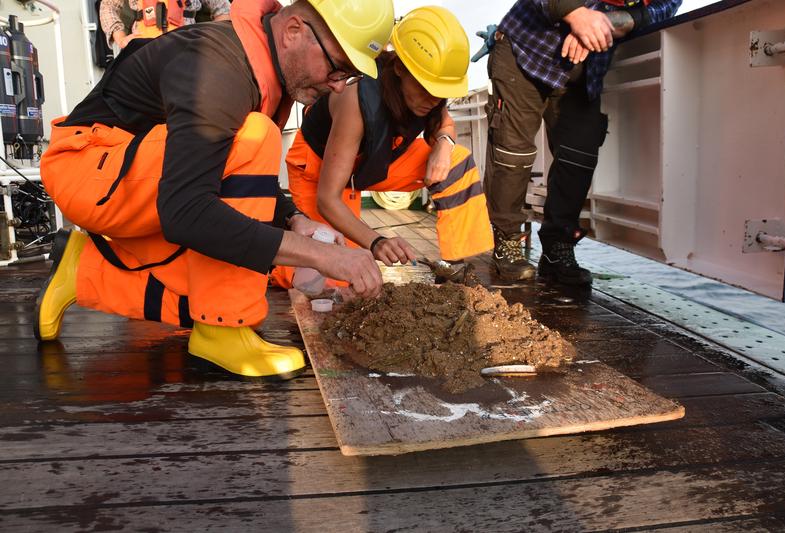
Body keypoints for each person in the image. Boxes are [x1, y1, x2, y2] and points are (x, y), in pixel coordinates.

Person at [34, 0, 395, 380]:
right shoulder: (217, 69)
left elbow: (222, 169)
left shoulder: (261, 67)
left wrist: (293, 220)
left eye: (349, 76)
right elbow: (186, 212)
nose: (337, 85)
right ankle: (224, 330)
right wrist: (323, 256)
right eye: (337, 67)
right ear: (293, 31)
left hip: (122, 174)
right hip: (85, 167)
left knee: (208, 282)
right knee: (256, 138)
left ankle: (82, 270)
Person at [271, 6, 493, 291]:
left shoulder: (430, 97)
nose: (433, 99)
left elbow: (444, 125)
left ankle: (457, 266)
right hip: (320, 167)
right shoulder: (356, 100)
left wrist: (444, 144)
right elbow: (328, 199)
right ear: (399, 68)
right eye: (426, 87)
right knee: (331, 271)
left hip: (373, 161)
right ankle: (278, 271)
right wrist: (376, 241)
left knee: (458, 163)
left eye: (441, 92)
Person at [478, 0, 682, 284]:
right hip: (525, 52)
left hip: (583, 71)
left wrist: (599, 23)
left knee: (579, 154)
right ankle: (507, 243)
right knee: (512, 154)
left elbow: (662, 8)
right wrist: (575, 13)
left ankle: (557, 248)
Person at [100, 0, 232, 52]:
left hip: (186, 51)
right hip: (143, 51)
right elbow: (108, 6)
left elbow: (223, 9)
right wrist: (121, 38)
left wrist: (212, 40)